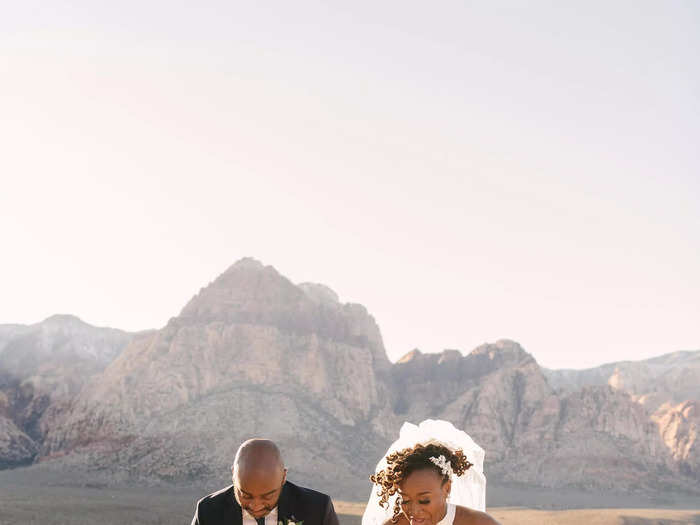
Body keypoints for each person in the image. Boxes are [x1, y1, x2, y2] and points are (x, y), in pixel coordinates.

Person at [362, 420, 500, 525]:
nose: (414, 511)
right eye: (405, 500)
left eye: (424, 501)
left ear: (447, 488)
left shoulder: (478, 523)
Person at [192, 438, 340, 525]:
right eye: (246, 495)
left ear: (283, 477)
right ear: (233, 476)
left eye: (267, 496)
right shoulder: (208, 512)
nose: (255, 506)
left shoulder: (317, 510)